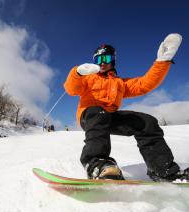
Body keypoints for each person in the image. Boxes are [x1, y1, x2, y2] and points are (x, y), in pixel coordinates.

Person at [64, 33, 189, 181]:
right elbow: (71, 89)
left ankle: (163, 169)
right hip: (90, 116)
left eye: (106, 58)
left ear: (113, 60)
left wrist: (162, 61)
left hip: (109, 117)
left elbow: (144, 84)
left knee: (147, 122)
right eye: (99, 59)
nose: (102, 63)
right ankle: (97, 165)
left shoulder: (120, 84)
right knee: (99, 112)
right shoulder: (88, 78)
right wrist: (77, 73)